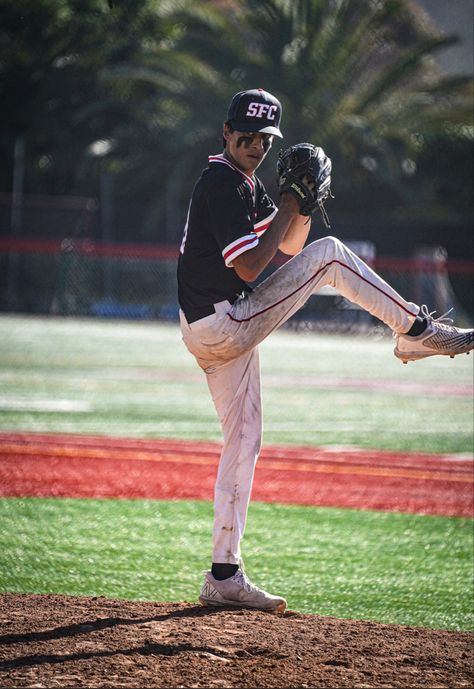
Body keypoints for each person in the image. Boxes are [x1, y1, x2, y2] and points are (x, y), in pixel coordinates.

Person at [177, 87, 473, 614]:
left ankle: (224, 574)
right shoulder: (222, 182)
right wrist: (291, 200)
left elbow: (289, 244)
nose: (255, 144)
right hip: (224, 321)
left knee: (244, 439)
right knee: (333, 257)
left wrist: (304, 205)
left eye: (264, 138)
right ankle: (413, 329)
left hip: (213, 326)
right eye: (245, 134)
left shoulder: (242, 183)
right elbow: (250, 268)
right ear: (225, 133)